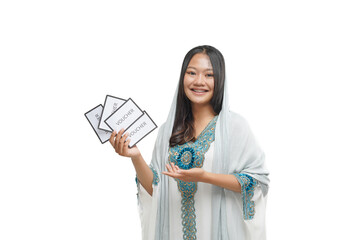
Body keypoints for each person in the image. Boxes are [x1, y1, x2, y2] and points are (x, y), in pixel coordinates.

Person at [109, 45, 270, 240]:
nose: (199, 81)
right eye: (191, 73)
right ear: (182, 77)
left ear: (220, 80)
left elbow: (255, 182)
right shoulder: (168, 131)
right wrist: (135, 156)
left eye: (209, 75)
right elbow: (156, 189)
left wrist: (205, 176)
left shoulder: (235, 127)